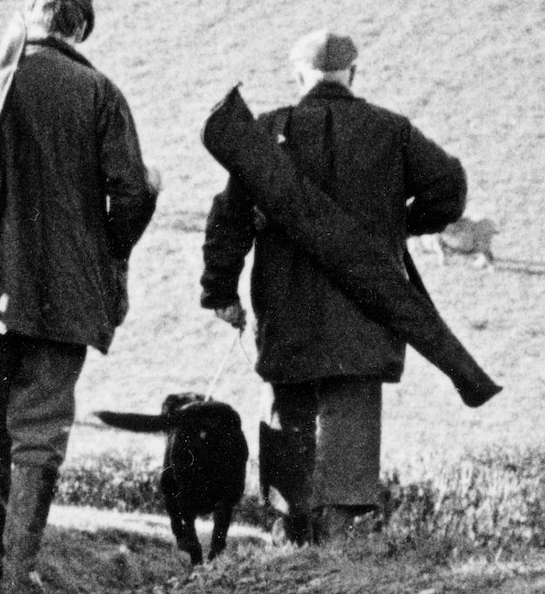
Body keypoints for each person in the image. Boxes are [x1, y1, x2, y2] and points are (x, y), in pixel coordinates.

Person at [0, 0, 159, 593]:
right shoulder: (101, 93)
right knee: (39, 433)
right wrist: (104, 258)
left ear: (30, 16)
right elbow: (131, 194)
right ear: (78, 29)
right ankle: (20, 573)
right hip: (66, 301)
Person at [199, 29, 466, 541]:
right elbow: (449, 189)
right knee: (352, 401)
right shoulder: (392, 131)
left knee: (287, 401)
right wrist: (402, 225)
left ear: (298, 76)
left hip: (285, 297)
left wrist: (221, 292)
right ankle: (338, 535)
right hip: (367, 301)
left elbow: (227, 217)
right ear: (354, 74)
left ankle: (290, 527)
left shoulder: (267, 130)